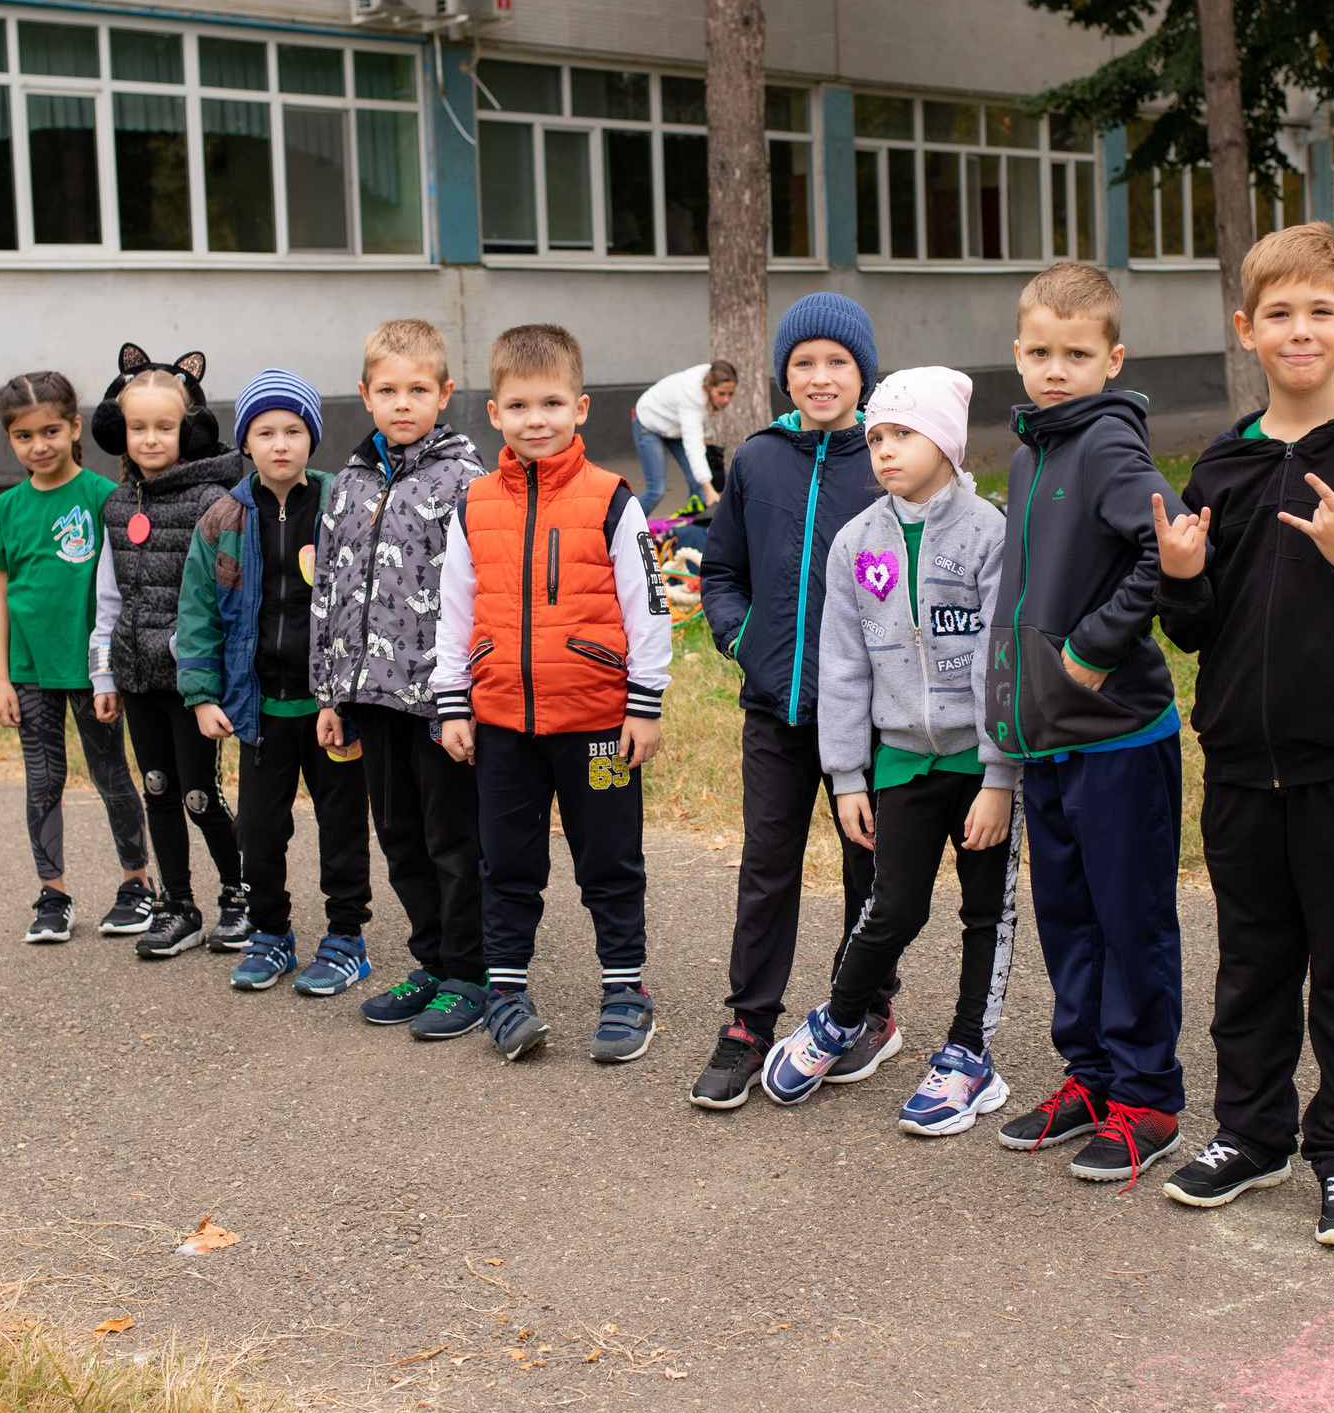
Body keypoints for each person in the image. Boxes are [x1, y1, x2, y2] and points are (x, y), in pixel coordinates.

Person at [1147, 223, 1334, 1247]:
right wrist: (1182, 579)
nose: (1300, 329)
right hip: (1236, 771)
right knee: (1251, 969)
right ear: (1247, 329)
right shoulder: (1221, 466)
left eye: (1320, 312)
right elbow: (1191, 630)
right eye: (1279, 313)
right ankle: (1251, 1135)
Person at [760, 366, 1024, 1137]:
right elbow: (842, 664)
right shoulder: (857, 542)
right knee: (890, 908)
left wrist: (1002, 775)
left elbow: (1000, 657)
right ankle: (841, 1020)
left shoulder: (988, 531)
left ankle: (970, 1055)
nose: (883, 450)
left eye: (901, 434)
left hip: (981, 767)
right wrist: (846, 774)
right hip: (901, 761)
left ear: (944, 440)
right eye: (875, 436)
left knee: (987, 914)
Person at [982, 262, 1188, 1186]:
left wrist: (1096, 646)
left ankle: (1149, 1097)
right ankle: (1093, 1078)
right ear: (1017, 354)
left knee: (1128, 919)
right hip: (1049, 739)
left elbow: (1167, 544)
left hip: (1117, 737)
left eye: (1076, 353)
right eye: (1039, 352)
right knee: (1068, 920)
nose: (1055, 369)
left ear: (1113, 356)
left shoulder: (1107, 446)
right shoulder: (1033, 451)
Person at [432, 324, 673, 1063]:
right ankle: (505, 992)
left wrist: (645, 701)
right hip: (503, 724)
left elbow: (649, 606)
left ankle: (626, 989)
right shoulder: (474, 504)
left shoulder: (611, 501)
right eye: (518, 405)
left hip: (599, 724)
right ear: (494, 414)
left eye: (551, 403)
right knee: (507, 862)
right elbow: (454, 608)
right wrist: (452, 699)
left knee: (609, 859)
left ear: (582, 406)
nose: (536, 419)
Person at [690, 296, 891, 1110]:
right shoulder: (759, 459)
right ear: (783, 374)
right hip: (774, 708)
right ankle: (748, 1024)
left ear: (863, 374)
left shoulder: (888, 458)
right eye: (803, 363)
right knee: (767, 868)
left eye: (837, 363)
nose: (819, 377)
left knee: (869, 869)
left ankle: (866, 1010)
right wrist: (742, 639)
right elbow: (720, 569)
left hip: (872, 718)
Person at [314, 319, 491, 1040]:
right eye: (388, 390)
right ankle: (431, 957)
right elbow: (328, 583)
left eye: (419, 389)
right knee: (400, 835)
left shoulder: (466, 480)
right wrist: (330, 691)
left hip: (439, 700)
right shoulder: (349, 482)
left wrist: (470, 697)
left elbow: (483, 594)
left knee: (454, 837)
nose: (403, 402)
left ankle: (471, 973)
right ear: (364, 395)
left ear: (445, 393)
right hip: (369, 693)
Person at [175, 370, 379, 993]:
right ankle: (271, 933)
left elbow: (367, 596)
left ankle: (346, 937)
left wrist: (350, 690)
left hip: (332, 708)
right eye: (265, 432)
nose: (280, 444)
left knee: (342, 826)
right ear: (246, 442)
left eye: (294, 430)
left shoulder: (343, 503)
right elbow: (198, 611)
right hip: (259, 709)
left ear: (312, 438)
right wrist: (202, 694)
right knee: (259, 832)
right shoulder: (222, 518)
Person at [0, 371, 152, 945]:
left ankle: (136, 886)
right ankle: (52, 895)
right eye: (23, 436)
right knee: (43, 781)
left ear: (74, 427)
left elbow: (127, 585)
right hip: (30, 673)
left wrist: (118, 665)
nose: (39, 445)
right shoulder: (6, 509)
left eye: (50, 430)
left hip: (92, 671)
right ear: (10, 440)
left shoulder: (103, 497)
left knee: (110, 775)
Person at [87, 346, 248, 958]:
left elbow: (226, 599)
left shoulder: (212, 500)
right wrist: (104, 676)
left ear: (190, 429)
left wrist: (216, 679)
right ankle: (178, 904)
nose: (150, 438)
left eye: (165, 426)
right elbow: (109, 599)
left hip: (189, 679)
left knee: (198, 792)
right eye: (137, 427)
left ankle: (239, 894)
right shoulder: (116, 506)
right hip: (136, 675)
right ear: (118, 432)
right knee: (156, 786)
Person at [631, 360, 738, 514]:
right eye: (721, 393)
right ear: (708, 387)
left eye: (730, 393)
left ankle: (695, 530)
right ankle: (622, 530)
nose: (726, 399)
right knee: (656, 491)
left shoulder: (712, 377)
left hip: (675, 427)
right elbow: (693, 447)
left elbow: (705, 419)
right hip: (649, 423)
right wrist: (710, 490)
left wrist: (707, 442)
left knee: (698, 483)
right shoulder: (691, 400)